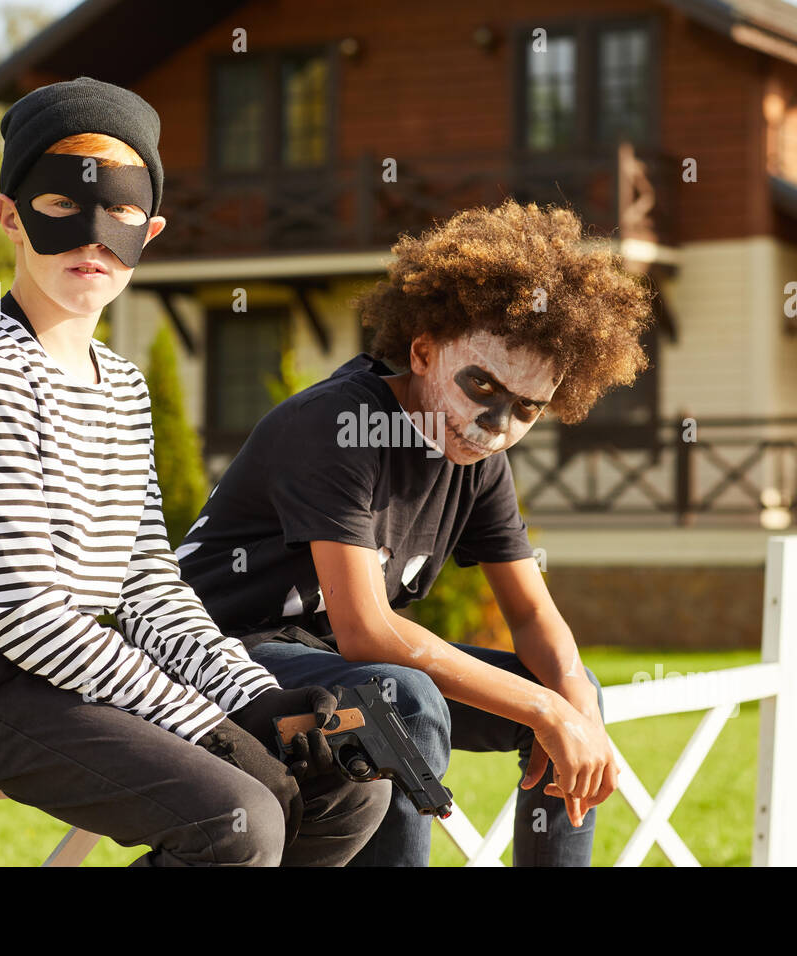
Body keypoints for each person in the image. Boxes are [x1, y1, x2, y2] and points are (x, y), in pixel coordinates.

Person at [0, 76, 389, 867]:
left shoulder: (122, 384)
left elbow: (145, 583)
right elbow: (25, 613)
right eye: (62, 208)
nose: (93, 239)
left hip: (48, 663)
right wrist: (206, 727)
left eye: (122, 214)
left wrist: (258, 699)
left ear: (152, 229)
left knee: (348, 790)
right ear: (10, 215)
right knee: (237, 818)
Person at [177, 198, 655, 866]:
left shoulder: (477, 456)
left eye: (527, 409)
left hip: (332, 676)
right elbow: (367, 633)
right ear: (423, 349)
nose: (497, 423)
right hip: (212, 663)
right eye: (481, 383)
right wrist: (545, 713)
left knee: (572, 692)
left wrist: (573, 707)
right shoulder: (336, 425)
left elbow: (532, 615)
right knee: (400, 702)